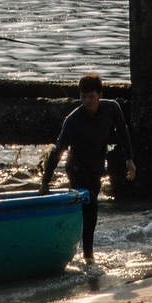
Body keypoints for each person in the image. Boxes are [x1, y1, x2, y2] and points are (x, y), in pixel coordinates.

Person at [40, 73, 136, 263]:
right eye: (83, 97)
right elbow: (58, 151)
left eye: (91, 97)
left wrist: (129, 160)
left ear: (100, 94)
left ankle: (83, 251)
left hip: (97, 166)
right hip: (76, 168)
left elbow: (123, 131)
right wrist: (45, 182)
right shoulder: (73, 120)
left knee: (91, 210)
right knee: (91, 203)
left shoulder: (112, 108)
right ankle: (88, 256)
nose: (87, 101)